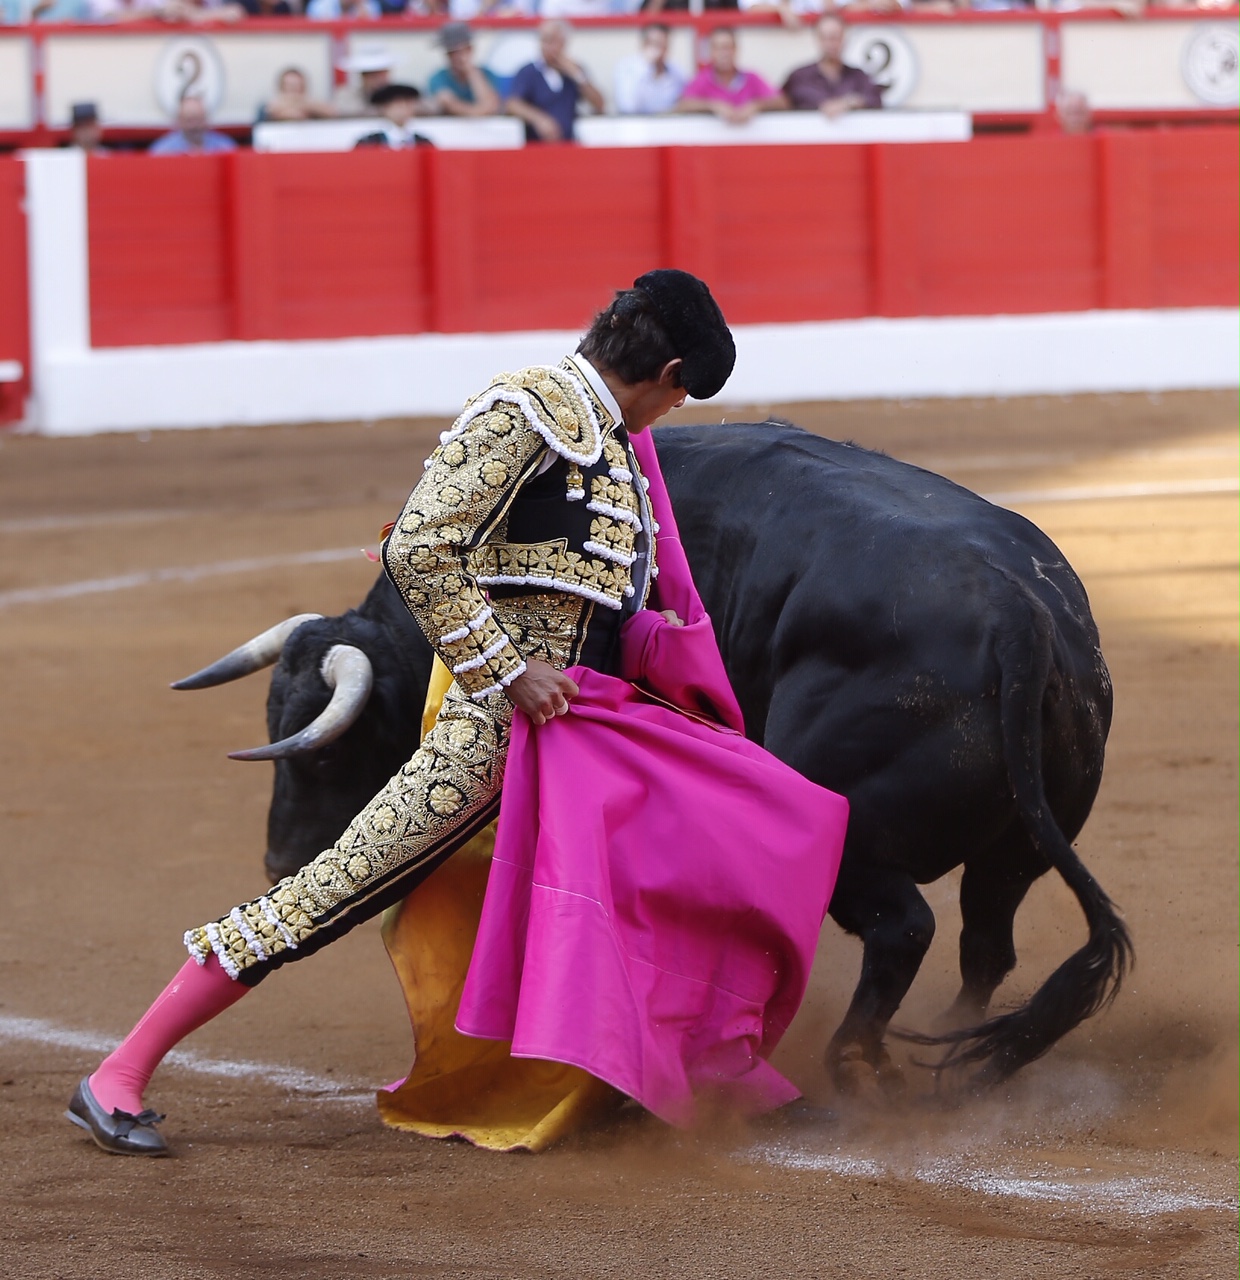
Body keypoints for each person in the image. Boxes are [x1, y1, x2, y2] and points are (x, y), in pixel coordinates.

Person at [64, 270, 767, 1156]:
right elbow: (420, 550)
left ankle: (661, 1076)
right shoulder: (527, 413)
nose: (670, 414)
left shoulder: (607, 442)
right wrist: (510, 673)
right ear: (666, 370)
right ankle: (116, 1074)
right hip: (493, 735)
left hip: (580, 732)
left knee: (671, 873)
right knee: (328, 893)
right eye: (679, 397)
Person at [506, 20, 604, 143]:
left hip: (569, 145)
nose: (545, 46)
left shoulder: (574, 71)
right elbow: (512, 104)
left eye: (551, 40)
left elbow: (599, 104)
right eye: (543, 40)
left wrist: (578, 76)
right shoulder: (529, 72)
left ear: (563, 43)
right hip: (536, 146)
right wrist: (539, 119)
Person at [676, 27, 785, 125]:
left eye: (727, 47)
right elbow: (683, 105)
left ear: (735, 49)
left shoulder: (752, 78)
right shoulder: (702, 80)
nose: (723, 53)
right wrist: (714, 106)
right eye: (718, 48)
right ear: (711, 52)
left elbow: (781, 102)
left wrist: (755, 106)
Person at [782, 14, 883, 118]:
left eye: (835, 37)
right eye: (825, 37)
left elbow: (875, 100)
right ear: (817, 39)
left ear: (844, 38)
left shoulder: (858, 76)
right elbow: (781, 102)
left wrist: (849, 103)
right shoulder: (799, 77)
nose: (831, 44)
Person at [427, 22, 501, 118]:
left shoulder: (488, 74)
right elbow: (450, 105)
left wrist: (471, 71)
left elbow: (492, 105)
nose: (457, 57)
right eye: (452, 52)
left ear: (470, 49)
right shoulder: (438, 78)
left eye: (463, 50)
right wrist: (480, 112)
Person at [613, 22, 687, 116]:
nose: (658, 50)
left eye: (662, 44)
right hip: (636, 126)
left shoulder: (676, 71)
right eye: (654, 44)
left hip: (667, 125)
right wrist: (645, 66)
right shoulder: (626, 67)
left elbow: (682, 104)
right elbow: (627, 107)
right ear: (643, 44)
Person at [148, 95, 237, 156]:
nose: (194, 126)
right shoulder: (162, 151)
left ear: (206, 120)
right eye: (189, 120)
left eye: (198, 119)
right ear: (179, 121)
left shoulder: (225, 147)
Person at [353, 84, 434, 148]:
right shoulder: (369, 143)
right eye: (398, 103)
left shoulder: (424, 142)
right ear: (384, 108)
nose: (403, 108)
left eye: (408, 103)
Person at [333, 46, 393, 117]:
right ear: (363, 76)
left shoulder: (398, 95)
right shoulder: (346, 95)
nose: (379, 79)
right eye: (373, 75)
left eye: (382, 73)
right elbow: (341, 111)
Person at [260, 67, 334, 122]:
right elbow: (270, 110)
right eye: (290, 85)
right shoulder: (271, 105)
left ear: (303, 86)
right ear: (282, 86)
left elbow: (331, 112)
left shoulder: (312, 102)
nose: (293, 88)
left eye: (296, 85)